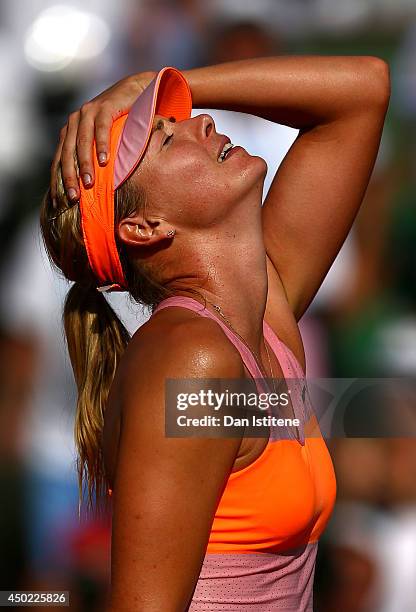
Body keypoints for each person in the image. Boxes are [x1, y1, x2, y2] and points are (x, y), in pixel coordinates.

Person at [41, 58, 390, 610]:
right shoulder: (191, 356)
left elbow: (362, 91)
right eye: (165, 138)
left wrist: (153, 82)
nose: (201, 121)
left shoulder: (261, 317)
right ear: (144, 226)